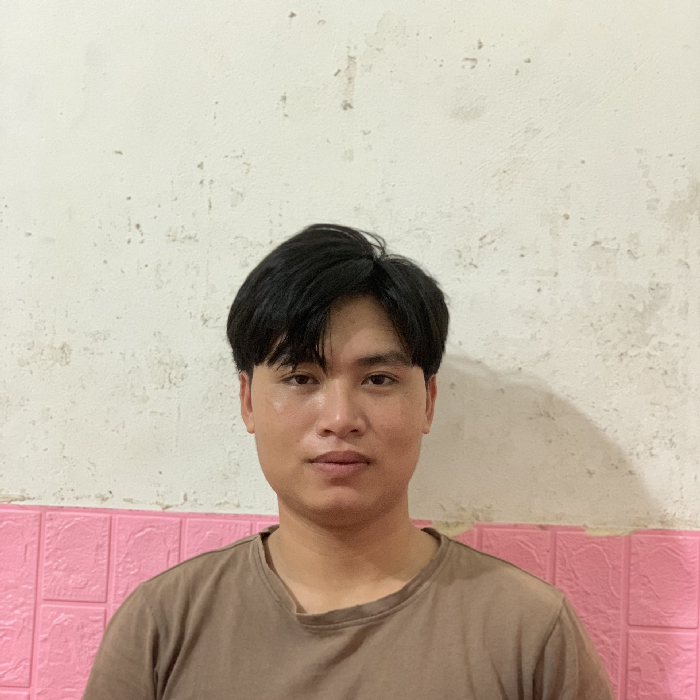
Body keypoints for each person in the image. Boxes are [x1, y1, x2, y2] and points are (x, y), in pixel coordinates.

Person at [83, 224, 615, 699]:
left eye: (378, 380)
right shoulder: (161, 626)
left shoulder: (529, 631)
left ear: (428, 402)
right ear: (247, 402)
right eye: (301, 378)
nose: (340, 418)